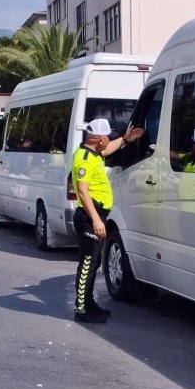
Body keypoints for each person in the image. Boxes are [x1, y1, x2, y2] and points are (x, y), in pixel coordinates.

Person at [71, 118, 144, 323]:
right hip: (89, 216)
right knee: (87, 263)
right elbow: (83, 193)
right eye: (107, 137)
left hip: (96, 215)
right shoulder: (85, 159)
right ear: (100, 138)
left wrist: (125, 140)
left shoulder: (92, 153)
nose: (108, 141)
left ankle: (88, 302)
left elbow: (107, 150)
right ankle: (81, 308)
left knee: (93, 262)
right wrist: (96, 220)